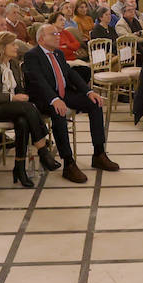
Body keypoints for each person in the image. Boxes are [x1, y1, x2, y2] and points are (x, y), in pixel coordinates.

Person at [21, 24, 118, 183]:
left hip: (63, 94)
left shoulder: (57, 53)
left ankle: (99, 154)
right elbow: (38, 81)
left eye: (58, 33)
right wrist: (54, 99)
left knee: (94, 103)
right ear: (41, 39)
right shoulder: (32, 55)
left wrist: (89, 91)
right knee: (59, 112)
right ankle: (68, 163)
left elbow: (70, 74)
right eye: (53, 34)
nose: (58, 36)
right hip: (44, 98)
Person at [0, 31, 59, 187]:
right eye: (12, 44)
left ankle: (19, 168)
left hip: (13, 108)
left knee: (23, 121)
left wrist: (21, 95)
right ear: (1, 47)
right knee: (28, 108)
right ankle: (43, 150)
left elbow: (19, 88)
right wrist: (12, 98)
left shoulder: (13, 64)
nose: (16, 47)